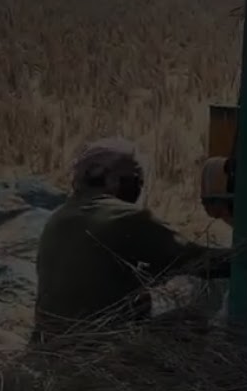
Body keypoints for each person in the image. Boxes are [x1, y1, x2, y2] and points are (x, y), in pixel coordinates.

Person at [33, 137, 232, 342]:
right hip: (100, 349)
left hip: (49, 346)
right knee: (193, 320)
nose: (138, 188)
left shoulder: (58, 217)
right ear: (116, 181)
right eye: (136, 181)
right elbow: (201, 262)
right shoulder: (127, 218)